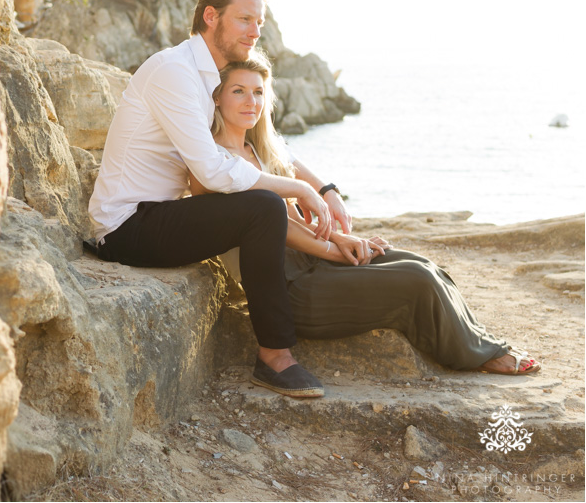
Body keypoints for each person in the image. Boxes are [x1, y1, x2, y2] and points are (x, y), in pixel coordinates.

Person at [90, 0, 358, 399]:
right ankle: (275, 357)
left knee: (264, 203)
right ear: (210, 16)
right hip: (127, 227)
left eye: (260, 23)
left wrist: (323, 187)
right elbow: (215, 172)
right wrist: (297, 192)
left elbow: (265, 143)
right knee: (264, 207)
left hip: (161, 216)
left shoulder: (210, 78)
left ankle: (306, 290)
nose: (254, 32)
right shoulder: (174, 72)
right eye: (245, 19)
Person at [190, 57, 540, 376]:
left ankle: (483, 342)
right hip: (289, 290)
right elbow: (280, 230)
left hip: (312, 265)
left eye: (258, 92)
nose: (251, 101)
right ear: (217, 97)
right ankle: (477, 356)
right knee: (416, 281)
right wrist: (338, 247)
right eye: (239, 91)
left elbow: (294, 218)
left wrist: (339, 234)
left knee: (423, 264)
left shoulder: (258, 150)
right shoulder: (214, 164)